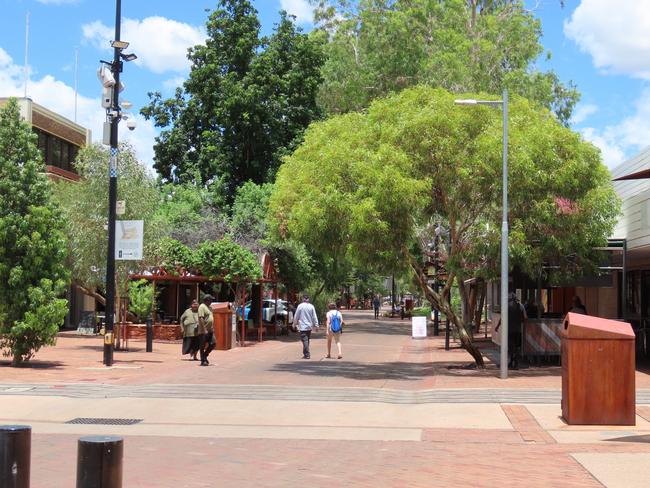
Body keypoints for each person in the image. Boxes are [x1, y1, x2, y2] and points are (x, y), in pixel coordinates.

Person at [495, 293, 527, 369]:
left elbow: (502, 318)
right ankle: (515, 363)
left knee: (510, 347)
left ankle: (511, 363)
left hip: (509, 331)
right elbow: (525, 318)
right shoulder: (521, 306)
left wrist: (497, 326)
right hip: (518, 331)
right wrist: (520, 322)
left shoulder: (506, 306)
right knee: (516, 347)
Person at [292, 294, 319, 359]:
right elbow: (314, 316)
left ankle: (307, 354)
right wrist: (316, 325)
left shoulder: (300, 306)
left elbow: (296, 316)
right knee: (306, 340)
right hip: (309, 326)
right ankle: (305, 353)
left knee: (305, 340)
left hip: (303, 326)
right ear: (308, 299)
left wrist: (294, 324)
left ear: (303, 299)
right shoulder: (311, 306)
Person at [198, 294, 216, 366]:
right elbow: (201, 318)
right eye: (210, 300)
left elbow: (210, 318)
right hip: (203, 330)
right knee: (202, 345)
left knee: (213, 343)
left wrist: (212, 327)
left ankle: (205, 355)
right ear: (207, 300)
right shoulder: (202, 307)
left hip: (210, 329)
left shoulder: (210, 308)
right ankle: (203, 360)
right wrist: (204, 329)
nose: (211, 301)